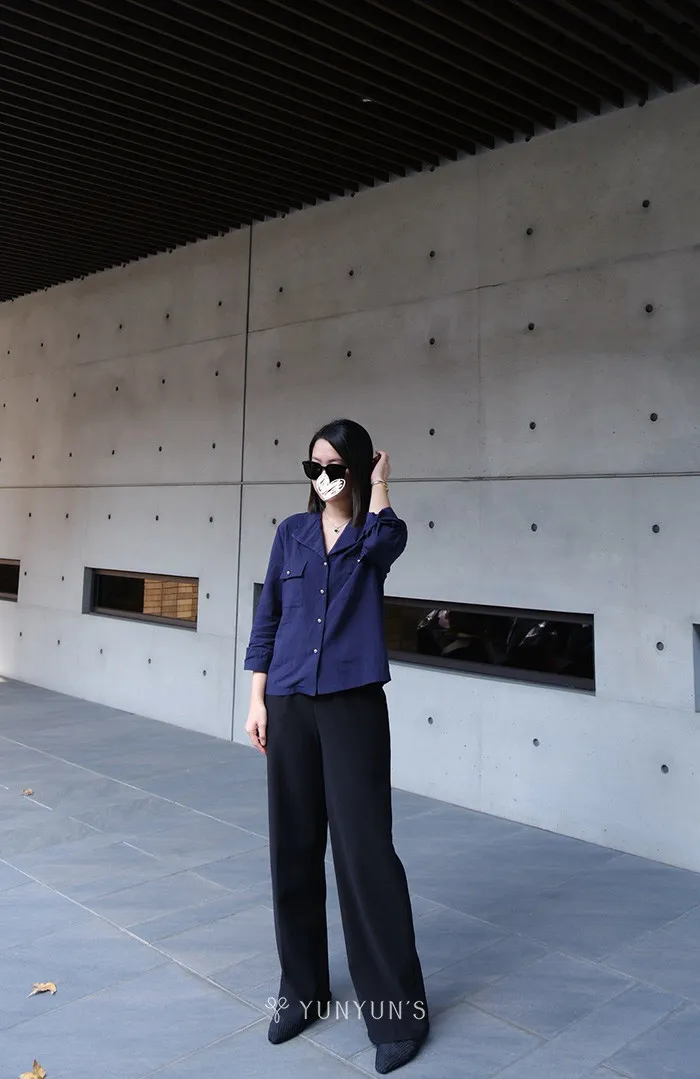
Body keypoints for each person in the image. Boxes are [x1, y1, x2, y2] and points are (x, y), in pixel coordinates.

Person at [244, 418, 430, 1074]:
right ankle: (303, 989)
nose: (322, 478)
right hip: (289, 701)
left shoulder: (372, 535)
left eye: (334, 467)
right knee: (292, 848)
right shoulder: (291, 534)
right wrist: (257, 699)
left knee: (365, 853)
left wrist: (379, 485)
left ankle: (398, 1013)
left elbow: (388, 540)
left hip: (353, 706)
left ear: (354, 468)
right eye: (313, 467)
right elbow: (268, 618)